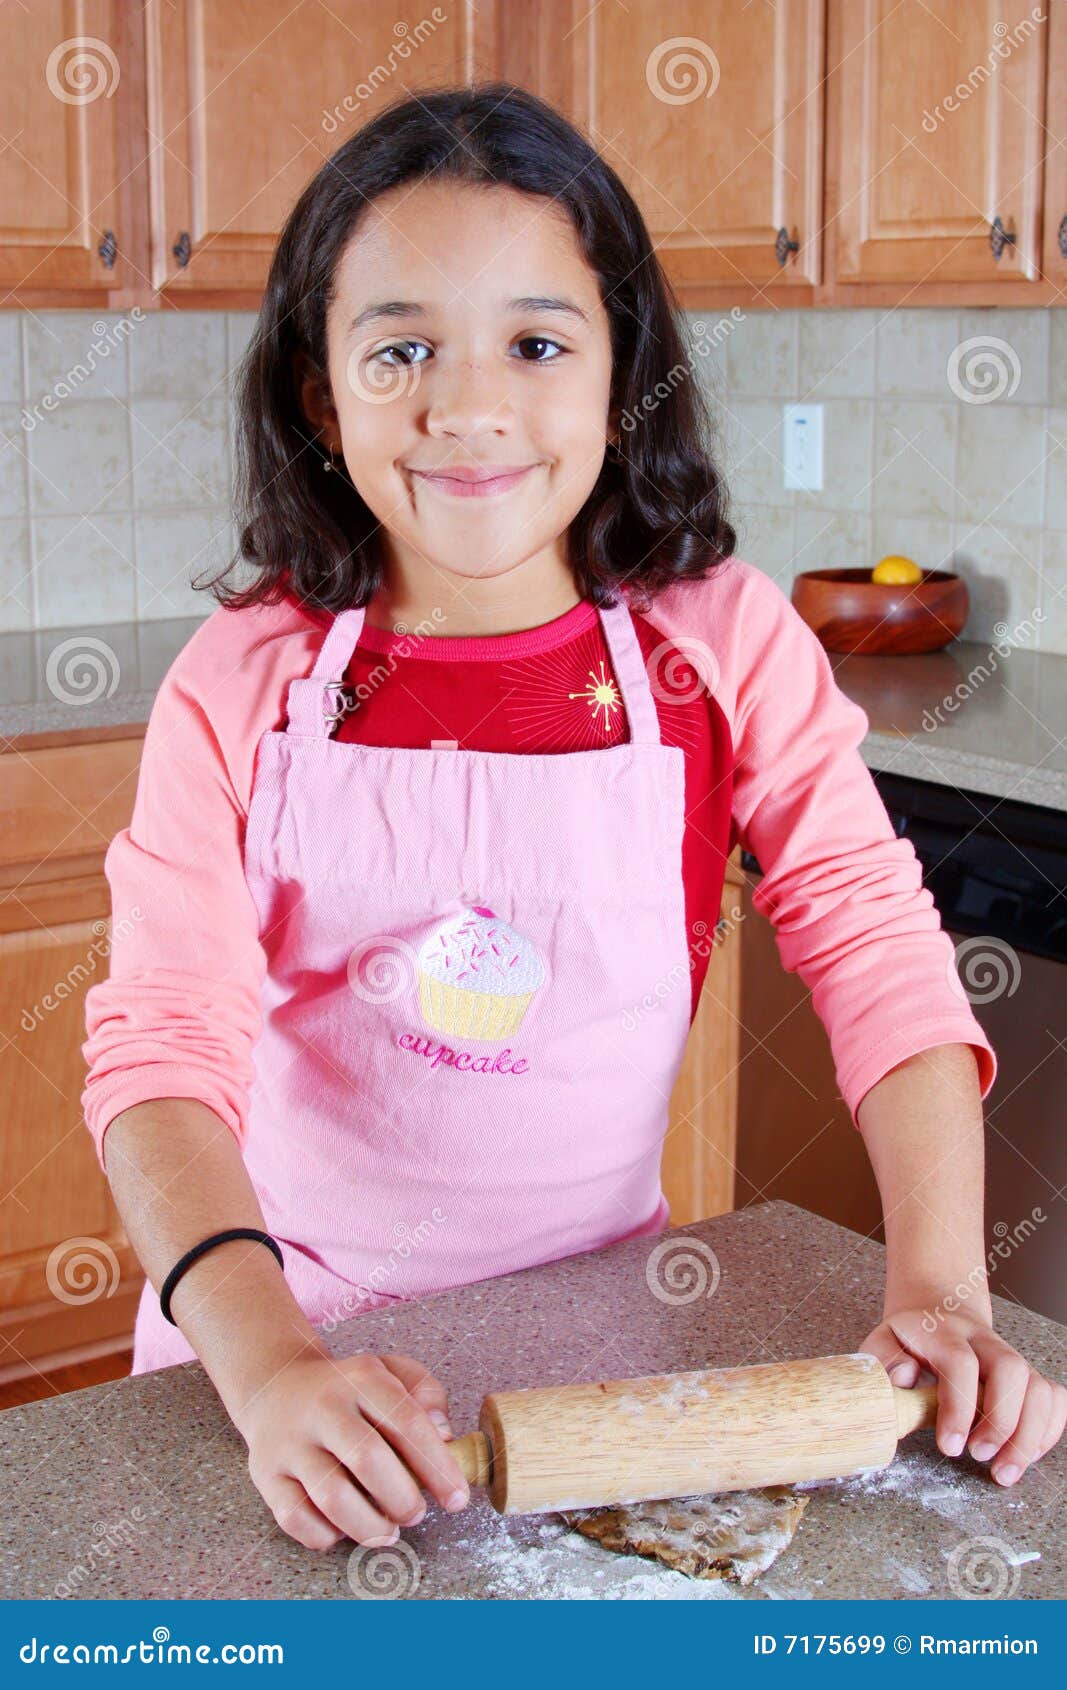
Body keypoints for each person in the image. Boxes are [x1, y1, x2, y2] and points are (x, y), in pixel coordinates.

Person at [81, 83, 1065, 1553]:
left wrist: (941, 1288)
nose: (469, 405)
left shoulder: (717, 646)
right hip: (272, 1372)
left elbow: (876, 943)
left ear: (621, 377)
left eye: (537, 344)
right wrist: (268, 1357)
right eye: (401, 345)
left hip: (605, 1353)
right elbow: (163, 1048)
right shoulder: (249, 681)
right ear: (318, 391)